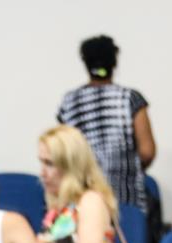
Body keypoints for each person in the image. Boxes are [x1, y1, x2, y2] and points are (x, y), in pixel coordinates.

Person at [56, 35, 155, 216]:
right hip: (126, 199)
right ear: (114, 63)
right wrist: (127, 166)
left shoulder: (69, 102)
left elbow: (64, 154)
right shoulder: (130, 99)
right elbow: (147, 152)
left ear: (85, 63)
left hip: (82, 200)